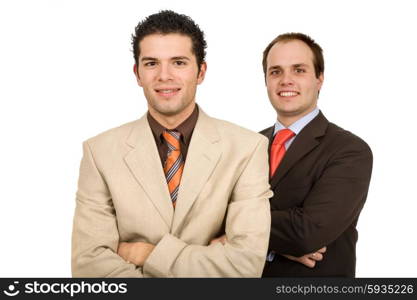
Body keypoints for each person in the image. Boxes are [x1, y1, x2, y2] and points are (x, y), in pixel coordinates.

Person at [71, 10, 272, 278]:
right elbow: (89, 267)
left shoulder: (247, 148)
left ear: (201, 71)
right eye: (152, 63)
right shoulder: (99, 153)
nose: (164, 76)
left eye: (178, 63)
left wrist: (145, 254)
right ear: (137, 73)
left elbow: (245, 266)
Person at [261, 33, 373, 277]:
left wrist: (231, 230)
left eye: (299, 70)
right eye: (276, 72)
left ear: (319, 79)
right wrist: (276, 243)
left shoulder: (349, 150)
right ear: (266, 80)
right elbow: (206, 217)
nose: (285, 80)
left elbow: (307, 233)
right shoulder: (247, 145)